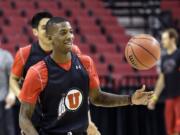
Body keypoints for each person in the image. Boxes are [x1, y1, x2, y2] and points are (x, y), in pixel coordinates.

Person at [19, 17, 153, 135]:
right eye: (63, 32)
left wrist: (130, 99)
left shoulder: (86, 63)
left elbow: (97, 97)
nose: (70, 36)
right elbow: (24, 117)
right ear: (50, 38)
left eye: (71, 31)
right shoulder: (37, 72)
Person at [10, 11, 100, 135]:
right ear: (35, 32)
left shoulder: (73, 51)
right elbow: (13, 78)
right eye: (44, 28)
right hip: (35, 118)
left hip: (64, 120)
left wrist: (89, 122)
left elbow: (80, 89)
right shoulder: (24, 53)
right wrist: (20, 96)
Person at [148, 28, 180, 135]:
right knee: (170, 131)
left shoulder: (179, 54)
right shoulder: (164, 58)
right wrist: (154, 98)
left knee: (178, 129)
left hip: (179, 97)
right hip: (169, 97)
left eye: (165, 39)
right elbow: (161, 80)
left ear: (172, 39)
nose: (162, 41)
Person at [0, 47, 16, 135]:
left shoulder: (5, 56)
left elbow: (13, 77)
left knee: (7, 128)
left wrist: (12, 93)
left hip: (3, 99)